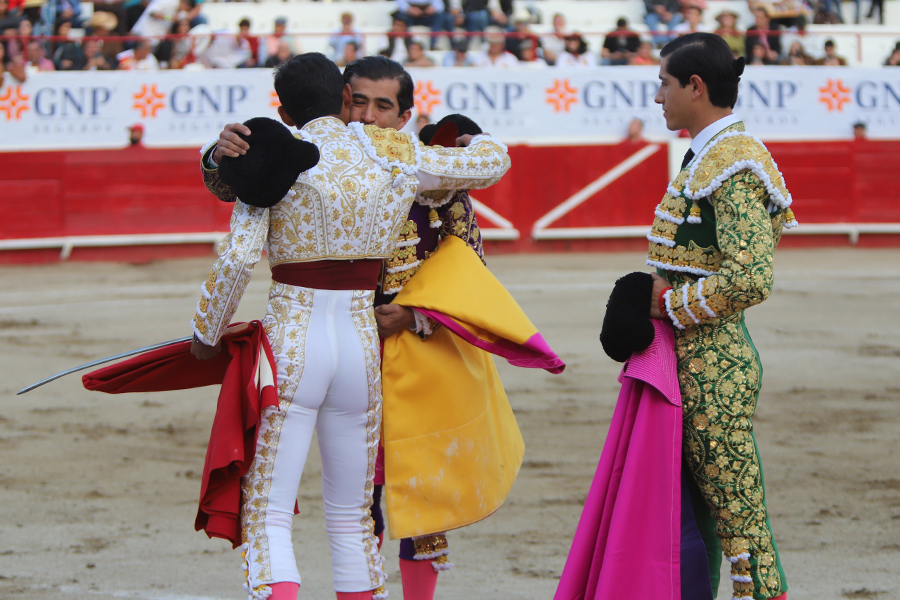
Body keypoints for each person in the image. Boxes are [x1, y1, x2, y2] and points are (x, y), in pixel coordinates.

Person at [193, 52, 512, 600]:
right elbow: (492, 163)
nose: (365, 113)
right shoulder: (396, 151)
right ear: (342, 99)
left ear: (284, 108)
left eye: (379, 104)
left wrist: (204, 334)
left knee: (269, 511)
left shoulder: (275, 158)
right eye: (356, 101)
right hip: (361, 345)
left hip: (299, 338)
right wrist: (475, 143)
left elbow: (238, 257)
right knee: (351, 517)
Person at [646, 32, 795, 600]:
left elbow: (752, 275)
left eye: (664, 83)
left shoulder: (731, 162)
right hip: (688, 360)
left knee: (739, 522)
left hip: (715, 367)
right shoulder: (710, 154)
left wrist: (669, 306)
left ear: (695, 86)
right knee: (697, 514)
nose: (658, 96)